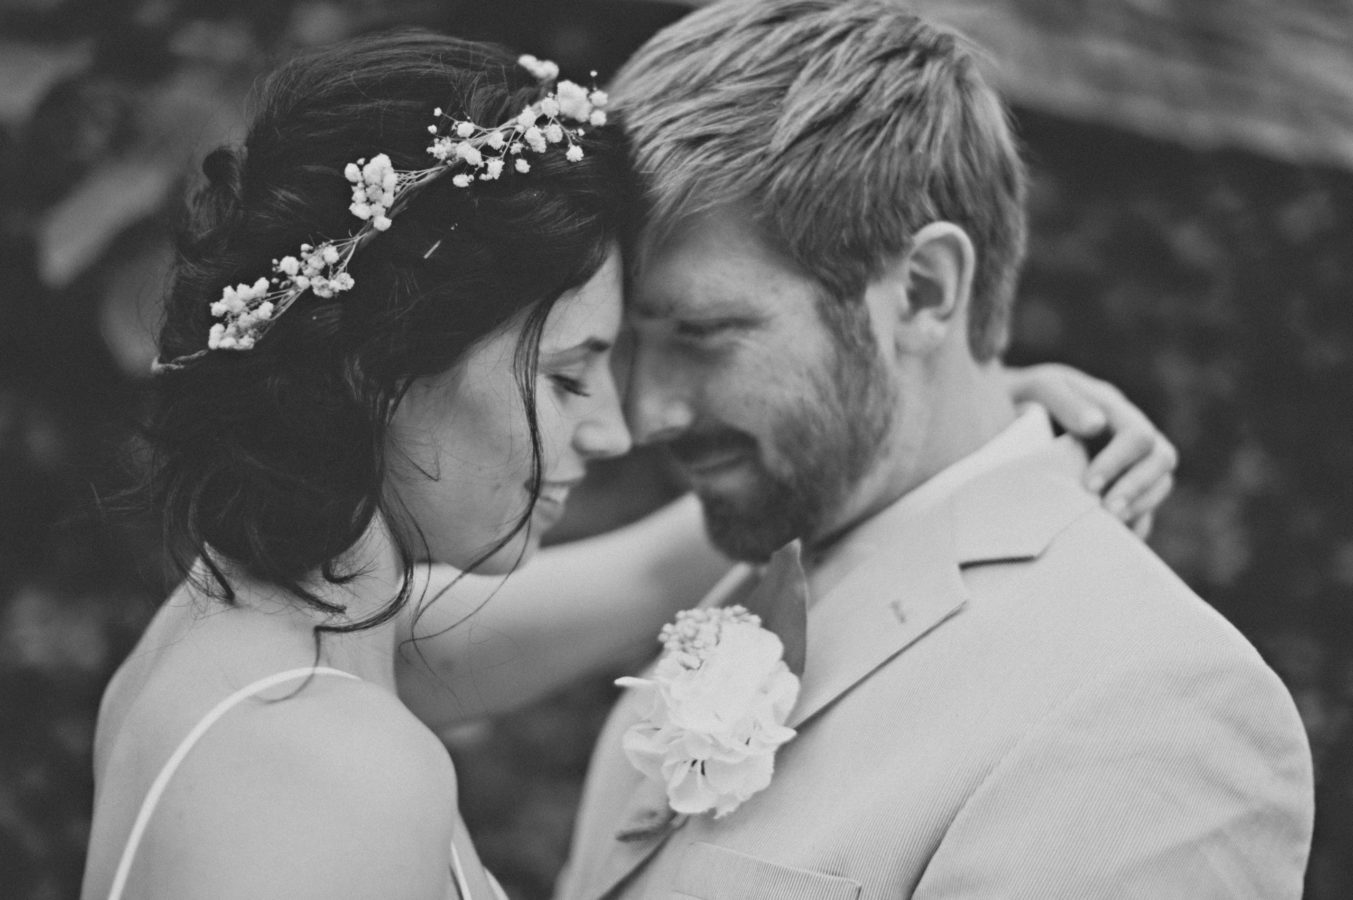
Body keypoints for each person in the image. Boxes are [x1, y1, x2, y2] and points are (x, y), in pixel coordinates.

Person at [82, 24, 1175, 900]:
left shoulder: (258, 627)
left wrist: (931, 410)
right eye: (569, 375)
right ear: (384, 363)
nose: (620, 426)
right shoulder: (321, 762)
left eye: (691, 337)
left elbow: (613, 586)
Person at [526, 1, 1307, 897]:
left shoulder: (1154, 703)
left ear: (926, 292)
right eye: (632, 342)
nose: (644, 413)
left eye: (701, 332)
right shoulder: (745, 584)